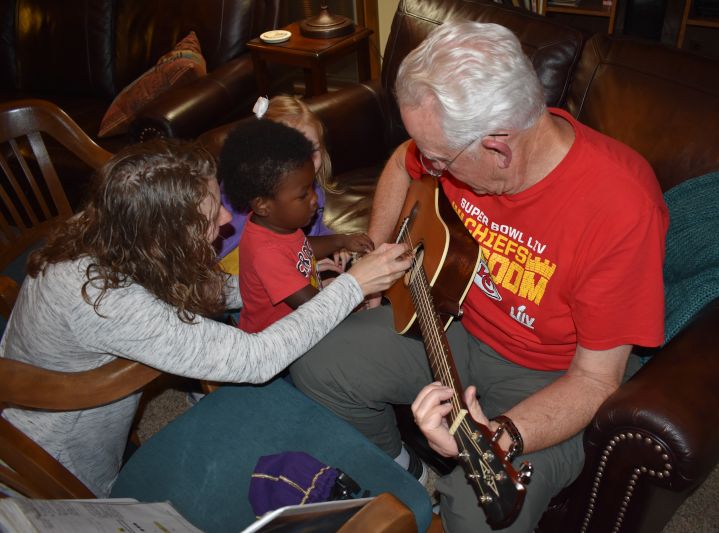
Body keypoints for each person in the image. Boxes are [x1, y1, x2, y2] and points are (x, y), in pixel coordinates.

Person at [290, 21, 670, 532]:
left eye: (439, 158)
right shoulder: (453, 148)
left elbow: (597, 379)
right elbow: (402, 167)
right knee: (318, 362)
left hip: (548, 378)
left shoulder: (620, 206)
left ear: (498, 148)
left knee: (483, 519)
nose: (429, 165)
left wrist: (504, 435)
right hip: (455, 321)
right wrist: (377, 260)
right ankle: (408, 477)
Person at [0, 139, 411, 498]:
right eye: (210, 215)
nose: (227, 220)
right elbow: (256, 358)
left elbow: (197, 287)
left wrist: (280, 280)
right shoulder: (108, 301)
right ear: (163, 240)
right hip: (67, 461)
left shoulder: (116, 229)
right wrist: (354, 285)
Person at [218, 119, 374, 333]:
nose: (314, 199)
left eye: (311, 188)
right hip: (281, 348)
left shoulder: (276, 223)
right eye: (303, 195)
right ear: (263, 204)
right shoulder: (265, 253)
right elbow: (315, 307)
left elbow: (300, 246)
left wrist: (341, 240)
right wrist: (353, 295)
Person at [217, 95, 344, 274]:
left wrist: (332, 243)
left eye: (312, 151)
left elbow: (315, 230)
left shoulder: (312, 190)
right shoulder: (243, 197)